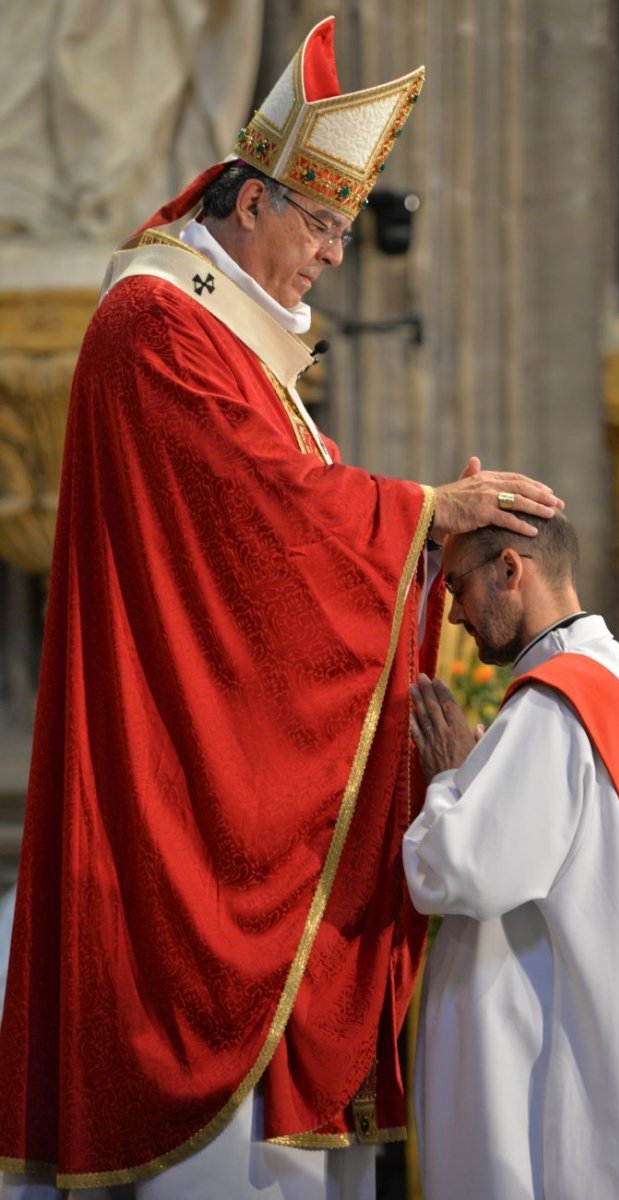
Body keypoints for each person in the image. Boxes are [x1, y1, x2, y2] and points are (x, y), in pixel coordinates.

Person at [0, 16, 563, 1200]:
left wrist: (416, 535)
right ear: (250, 201)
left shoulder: (232, 346)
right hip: (180, 797)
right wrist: (425, 510)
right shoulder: (158, 325)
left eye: (349, 230)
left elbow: (289, 522)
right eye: (322, 224)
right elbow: (266, 524)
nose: (337, 257)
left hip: (220, 772)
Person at [403, 513, 619, 1200]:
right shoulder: (612, 678)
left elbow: (457, 873)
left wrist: (449, 779)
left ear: (511, 570)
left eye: (457, 587)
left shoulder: (554, 703)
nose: (452, 616)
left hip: (547, 1064)